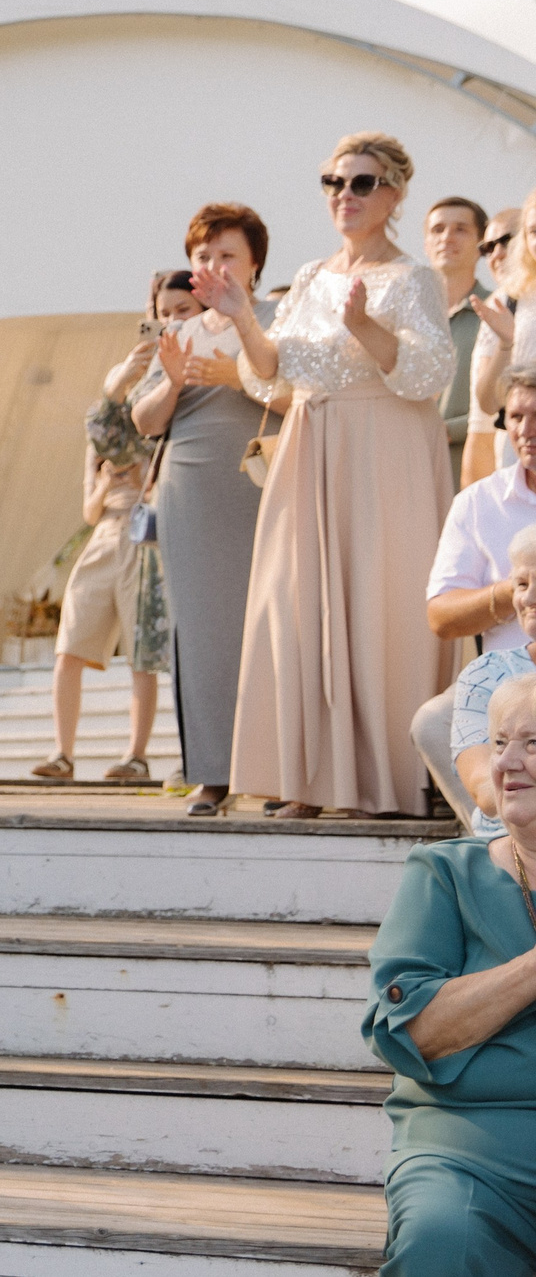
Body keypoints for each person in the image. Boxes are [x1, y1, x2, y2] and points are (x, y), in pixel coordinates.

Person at [218, 135, 456, 817]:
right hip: (309, 446)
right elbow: (272, 372)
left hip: (383, 453)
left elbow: (429, 372)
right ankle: (310, 779)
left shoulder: (412, 279)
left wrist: (363, 327)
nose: (344, 194)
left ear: (394, 194)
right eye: (333, 181)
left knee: (378, 606)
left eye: (361, 182)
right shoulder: (309, 275)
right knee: (297, 607)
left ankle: (378, 782)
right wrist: (240, 317)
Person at [363, 673, 536, 1276]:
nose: (506, 762)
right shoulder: (445, 875)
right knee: (443, 1241)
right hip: (471, 1159)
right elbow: (413, 1032)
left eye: (533, 743)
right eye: (499, 743)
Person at [130, 203, 274, 816]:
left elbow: (296, 394)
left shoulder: (279, 319)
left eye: (227, 256)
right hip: (190, 493)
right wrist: (172, 381)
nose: (214, 267)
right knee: (201, 633)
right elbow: (144, 420)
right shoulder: (182, 331)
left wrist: (236, 374)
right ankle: (212, 774)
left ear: (255, 263)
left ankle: (277, 772)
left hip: (265, 486)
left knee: (272, 629)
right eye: (203, 257)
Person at [36, 272, 194, 783]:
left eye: (182, 311)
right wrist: (118, 383)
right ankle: (62, 753)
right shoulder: (124, 387)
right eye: (163, 314)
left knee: (143, 652)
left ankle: (136, 755)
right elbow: (103, 451)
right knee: (70, 646)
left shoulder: (183, 382)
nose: (170, 322)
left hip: (149, 533)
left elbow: (134, 444)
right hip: (105, 532)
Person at [418, 376, 536, 822]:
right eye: (516, 416)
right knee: (432, 721)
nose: (525, 430)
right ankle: (498, 844)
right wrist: (515, 590)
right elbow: (440, 616)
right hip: (502, 682)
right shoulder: (478, 502)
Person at [440, 525, 536, 843]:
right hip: (508, 854)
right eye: (521, 584)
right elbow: (486, 790)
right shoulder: (487, 675)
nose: (528, 598)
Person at [426, 196, 492, 489]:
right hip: (407, 468)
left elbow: (507, 398)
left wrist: (448, 430)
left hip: (470, 474)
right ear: (426, 243)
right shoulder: (406, 317)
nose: (447, 237)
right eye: (438, 229)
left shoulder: (497, 312)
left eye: (461, 229)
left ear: (482, 244)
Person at [464, 207, 521, 487]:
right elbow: (485, 410)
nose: (496, 254)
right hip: (515, 466)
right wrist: (506, 344)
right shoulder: (497, 306)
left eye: (506, 241)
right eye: (487, 247)